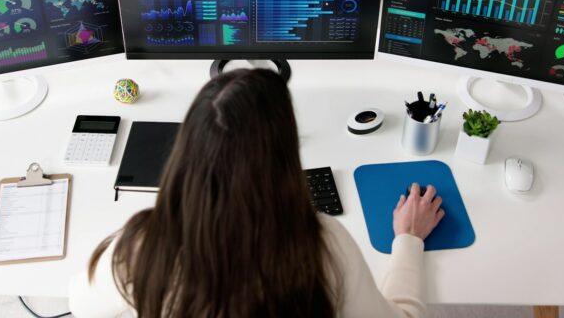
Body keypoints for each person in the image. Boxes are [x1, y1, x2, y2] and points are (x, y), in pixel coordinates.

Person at [69, 69, 444, 318]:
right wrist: (409, 239)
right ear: (284, 154)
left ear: (186, 151)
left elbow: (82, 308)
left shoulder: (135, 250)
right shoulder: (323, 244)